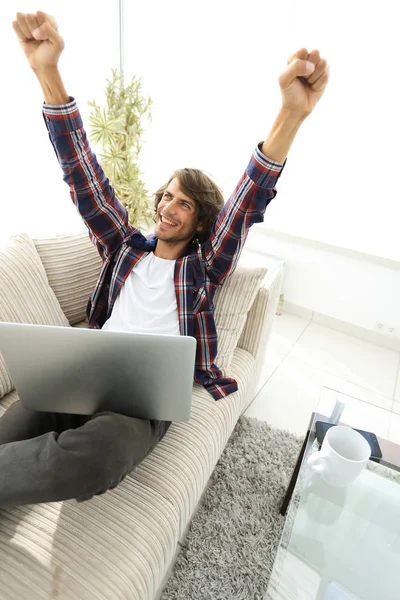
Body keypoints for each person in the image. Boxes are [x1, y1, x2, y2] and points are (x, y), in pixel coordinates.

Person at [0, 11, 329, 508]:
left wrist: (291, 116)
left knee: (101, 455)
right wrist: (46, 71)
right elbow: (82, 172)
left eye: (184, 203)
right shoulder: (123, 246)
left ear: (200, 223)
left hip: (139, 403)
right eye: (166, 196)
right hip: (81, 376)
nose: (166, 207)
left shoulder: (203, 270)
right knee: (17, 423)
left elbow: (246, 202)